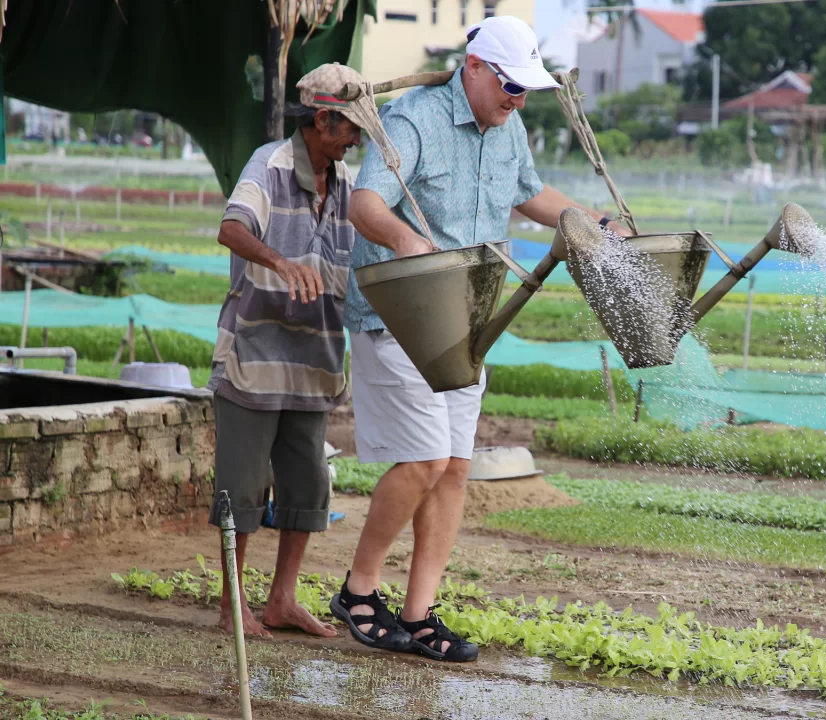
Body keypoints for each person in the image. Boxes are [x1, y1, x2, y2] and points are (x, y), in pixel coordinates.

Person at [334, 15, 627, 662]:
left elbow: (528, 194)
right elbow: (366, 203)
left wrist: (595, 220)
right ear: (474, 68)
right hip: (401, 313)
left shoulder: (509, 126)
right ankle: (358, 591)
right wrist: (412, 242)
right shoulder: (415, 120)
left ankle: (418, 614)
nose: (517, 99)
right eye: (510, 87)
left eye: (526, 90)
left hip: (469, 317)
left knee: (456, 468)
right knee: (423, 461)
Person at [207, 64, 369, 639]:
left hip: (315, 361)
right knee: (243, 488)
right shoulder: (269, 165)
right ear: (322, 118)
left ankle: (281, 601)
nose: (357, 139)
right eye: (350, 127)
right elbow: (232, 228)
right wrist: (278, 260)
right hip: (255, 357)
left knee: (306, 487)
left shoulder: (348, 183)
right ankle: (233, 607)